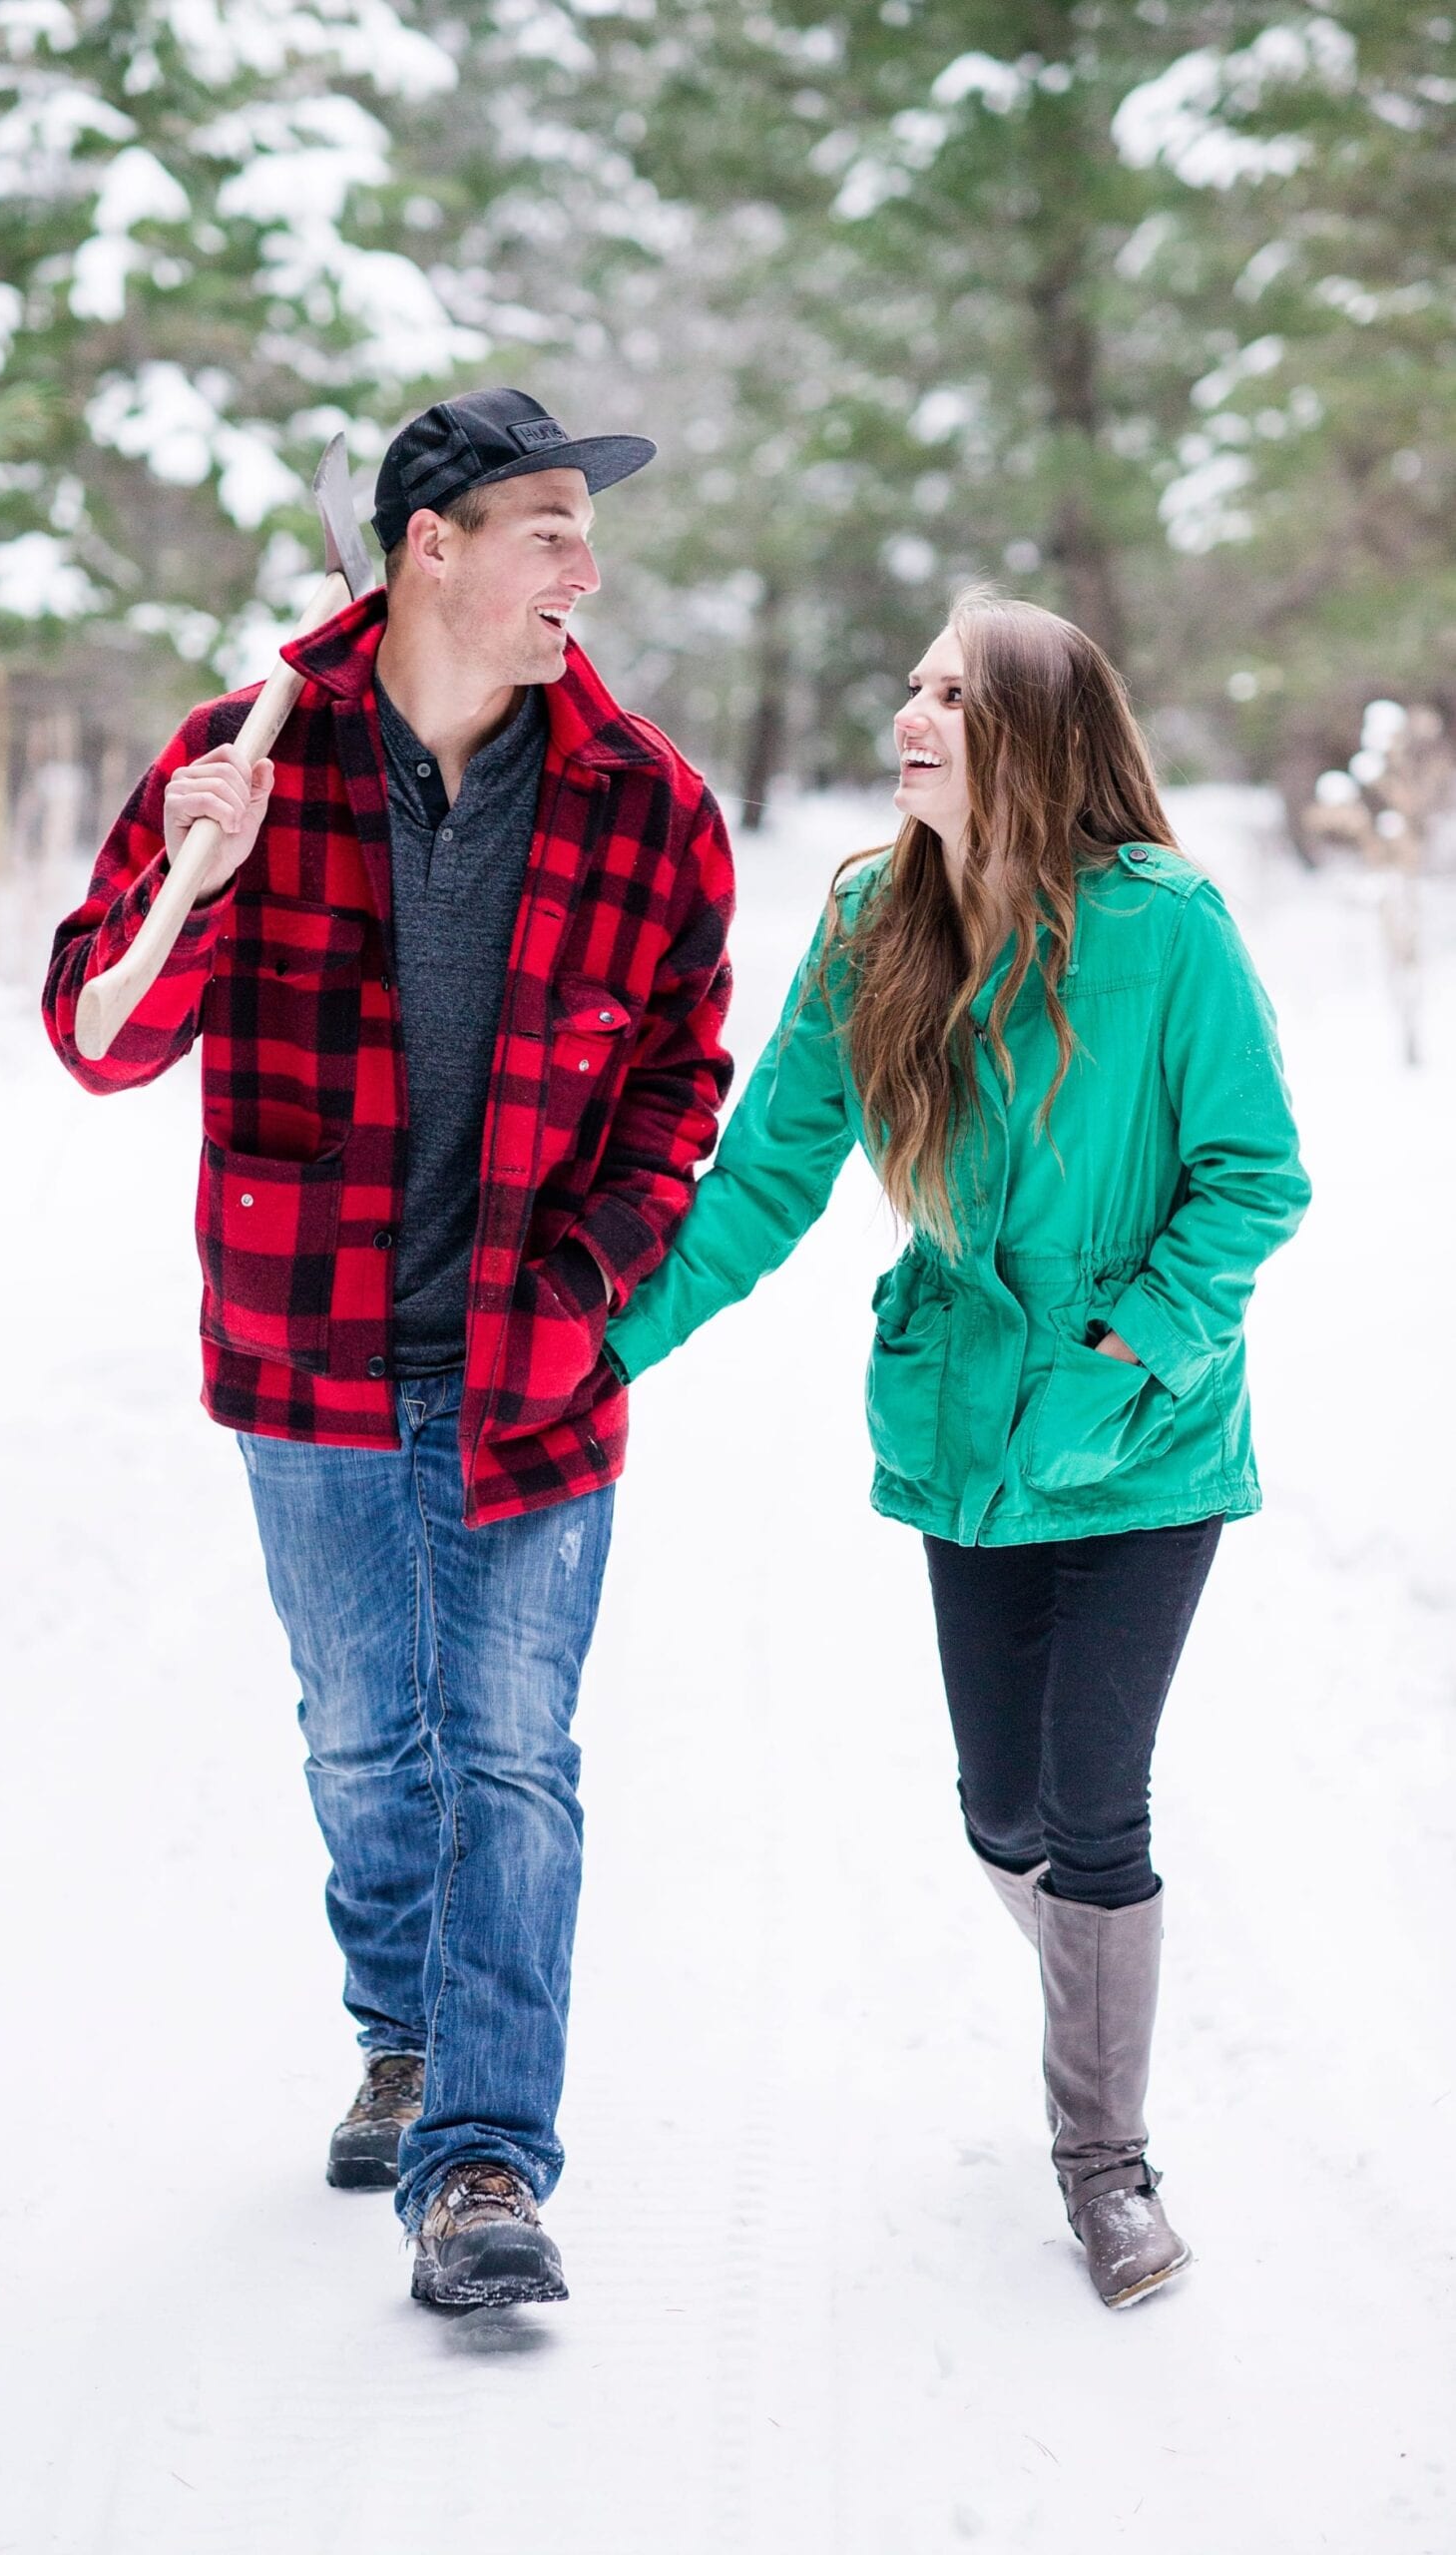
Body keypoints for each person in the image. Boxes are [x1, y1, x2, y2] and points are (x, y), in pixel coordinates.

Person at [44, 388, 734, 2310]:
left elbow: (685, 1073)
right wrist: (201, 863)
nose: (581, 570)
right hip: (308, 1349)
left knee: (510, 1756)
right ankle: (404, 2029)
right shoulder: (239, 758)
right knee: (367, 1741)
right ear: (429, 541)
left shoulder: (645, 803)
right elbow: (99, 1037)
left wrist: (600, 1269)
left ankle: (487, 2165)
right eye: (544, 528)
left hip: (534, 1361)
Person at [603, 589, 1309, 2309]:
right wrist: (606, 1347)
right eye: (909, 684)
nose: (913, 715)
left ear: (1041, 739)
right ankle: (1094, 1974)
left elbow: (1253, 1176)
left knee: (1092, 1797)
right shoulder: (867, 923)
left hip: (1137, 1436)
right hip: (963, 1429)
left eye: (956, 697)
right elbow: (768, 1173)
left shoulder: (1164, 925)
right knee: (1004, 1816)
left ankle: (1102, 2162)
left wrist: (1123, 1350)